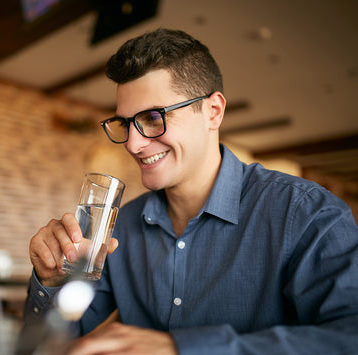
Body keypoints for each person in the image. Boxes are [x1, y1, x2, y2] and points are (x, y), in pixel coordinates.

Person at [23, 28, 358, 354]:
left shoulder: (308, 214)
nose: (134, 144)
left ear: (213, 111)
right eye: (125, 124)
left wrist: (180, 348)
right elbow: (55, 345)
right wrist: (51, 283)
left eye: (153, 118)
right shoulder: (120, 225)